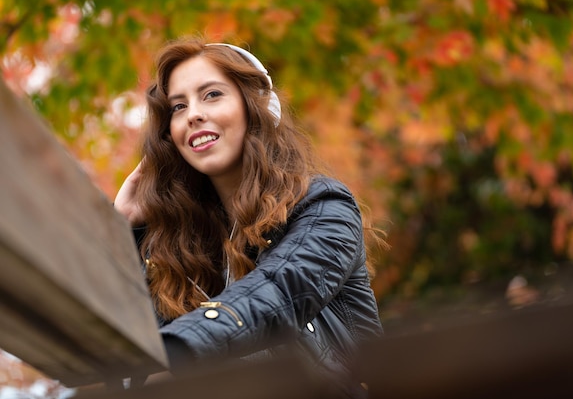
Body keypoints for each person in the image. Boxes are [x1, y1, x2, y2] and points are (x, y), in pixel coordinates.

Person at [114, 37, 387, 398]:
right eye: (178, 107)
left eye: (211, 94)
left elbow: (277, 293)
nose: (192, 113)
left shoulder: (325, 207)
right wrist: (127, 232)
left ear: (257, 108)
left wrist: (175, 349)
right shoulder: (180, 246)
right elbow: (125, 356)